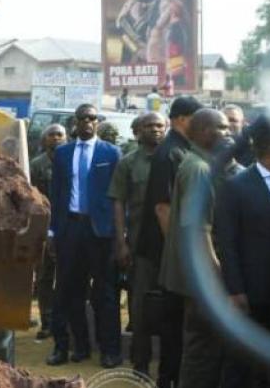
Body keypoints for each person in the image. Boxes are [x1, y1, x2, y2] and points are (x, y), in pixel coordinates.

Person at [159, 108, 240, 388]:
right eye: (222, 128)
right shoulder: (198, 169)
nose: (228, 133)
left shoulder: (200, 163)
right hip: (203, 279)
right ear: (204, 131)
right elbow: (198, 231)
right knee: (201, 352)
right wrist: (217, 277)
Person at [217, 121, 270, 388]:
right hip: (249, 293)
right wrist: (235, 290)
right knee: (242, 363)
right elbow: (227, 244)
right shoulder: (236, 187)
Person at [46, 104, 123, 369]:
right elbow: (56, 195)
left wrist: (119, 234)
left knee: (105, 294)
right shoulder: (63, 154)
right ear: (75, 122)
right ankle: (71, 346)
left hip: (101, 231)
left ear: (97, 122)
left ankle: (110, 350)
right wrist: (52, 231)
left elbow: (118, 198)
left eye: (93, 118)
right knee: (67, 291)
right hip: (70, 229)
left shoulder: (111, 153)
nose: (88, 122)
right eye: (83, 118)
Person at [133, 95, 202, 388]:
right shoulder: (170, 153)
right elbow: (163, 209)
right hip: (165, 252)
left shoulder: (184, 149)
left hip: (171, 251)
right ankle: (166, 379)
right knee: (170, 322)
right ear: (183, 119)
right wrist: (178, 253)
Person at [109, 112, 165, 377]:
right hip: (140, 246)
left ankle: (169, 364)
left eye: (160, 125)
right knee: (140, 307)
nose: (155, 130)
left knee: (171, 305)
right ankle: (140, 364)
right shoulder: (128, 163)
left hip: (171, 248)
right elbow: (118, 202)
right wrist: (121, 243)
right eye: (149, 126)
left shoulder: (177, 160)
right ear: (138, 131)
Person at [30, 124, 66, 340]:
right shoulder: (36, 165)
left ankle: (63, 321)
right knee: (44, 276)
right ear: (44, 141)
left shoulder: (70, 161)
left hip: (67, 226)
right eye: (51, 135)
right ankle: (47, 321)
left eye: (60, 134)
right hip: (44, 227)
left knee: (66, 275)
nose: (56, 138)